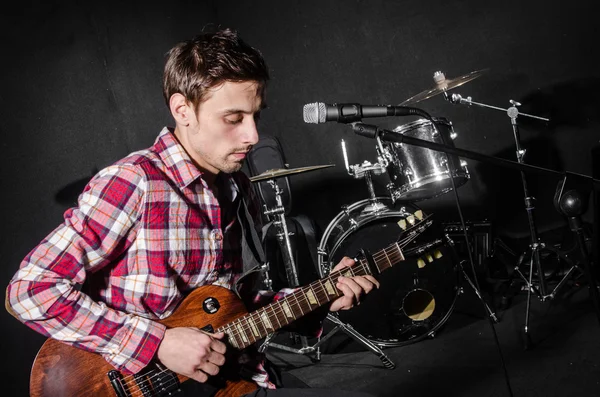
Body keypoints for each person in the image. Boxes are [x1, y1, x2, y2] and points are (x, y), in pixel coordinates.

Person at [6, 28, 378, 397]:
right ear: (183, 110)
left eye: (256, 117)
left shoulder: (238, 190)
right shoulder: (135, 183)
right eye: (233, 119)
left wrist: (320, 296)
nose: (251, 135)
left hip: (235, 378)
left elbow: (237, 309)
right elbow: (30, 290)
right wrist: (157, 343)